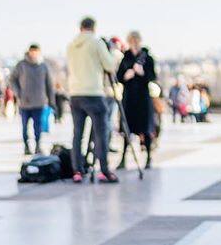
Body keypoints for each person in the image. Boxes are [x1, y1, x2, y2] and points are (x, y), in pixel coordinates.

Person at [65, 16, 121, 184]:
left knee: (78, 134)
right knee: (101, 133)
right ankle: (104, 170)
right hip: (94, 93)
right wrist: (116, 55)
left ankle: (77, 170)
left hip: (75, 93)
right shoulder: (96, 42)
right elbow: (109, 65)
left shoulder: (71, 45)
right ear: (94, 28)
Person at [116, 31, 158, 169]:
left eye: (136, 41)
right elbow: (119, 76)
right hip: (129, 98)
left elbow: (152, 76)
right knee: (127, 129)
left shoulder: (147, 58)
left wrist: (142, 73)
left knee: (145, 129)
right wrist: (126, 76)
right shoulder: (125, 58)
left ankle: (148, 158)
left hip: (143, 98)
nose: (134, 44)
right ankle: (123, 158)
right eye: (131, 41)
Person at [10, 44, 56, 155]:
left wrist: (51, 101)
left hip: (39, 102)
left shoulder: (44, 66)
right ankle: (26, 146)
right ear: (29, 52)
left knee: (38, 127)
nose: (34, 54)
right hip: (24, 102)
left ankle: (38, 146)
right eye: (32, 51)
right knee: (25, 127)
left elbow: (49, 85)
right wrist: (18, 93)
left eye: (36, 52)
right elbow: (12, 79)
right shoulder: (21, 65)